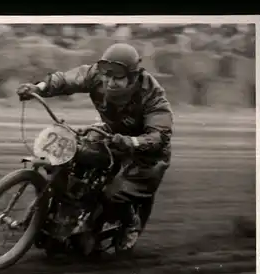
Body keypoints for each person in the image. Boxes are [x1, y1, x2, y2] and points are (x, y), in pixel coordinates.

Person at [16, 43, 174, 251]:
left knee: (113, 195)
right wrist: (39, 88)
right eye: (107, 76)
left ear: (133, 77)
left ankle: (130, 223)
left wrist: (131, 142)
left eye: (117, 78)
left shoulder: (153, 96)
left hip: (147, 153)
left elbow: (159, 135)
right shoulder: (97, 75)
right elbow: (65, 79)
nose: (109, 82)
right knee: (72, 155)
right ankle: (66, 211)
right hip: (109, 134)